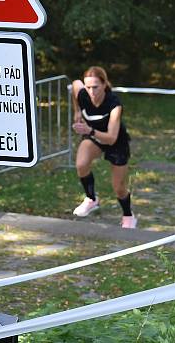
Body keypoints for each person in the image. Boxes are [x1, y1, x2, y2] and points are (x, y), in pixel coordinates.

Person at [70, 66, 136, 229]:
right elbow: (74, 84)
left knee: (119, 187)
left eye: (96, 87)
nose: (91, 91)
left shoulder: (114, 104)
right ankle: (91, 199)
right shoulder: (82, 94)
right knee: (81, 164)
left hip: (115, 143)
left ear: (105, 84)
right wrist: (77, 110)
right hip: (93, 136)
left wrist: (89, 130)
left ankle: (128, 216)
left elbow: (111, 138)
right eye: (88, 87)